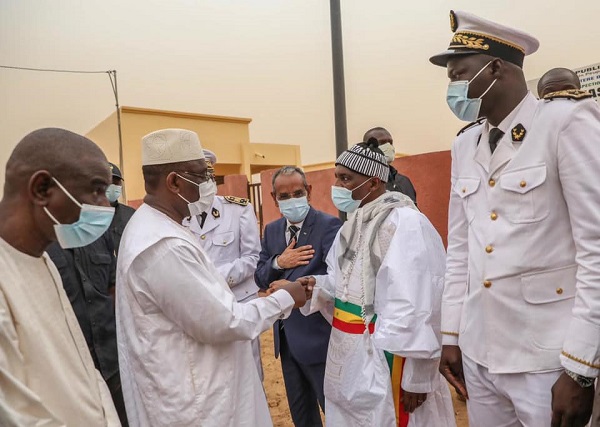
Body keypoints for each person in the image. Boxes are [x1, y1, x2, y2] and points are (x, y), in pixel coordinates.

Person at [430, 10, 600, 426]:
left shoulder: (564, 122)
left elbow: (596, 248)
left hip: (547, 357)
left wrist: (580, 365)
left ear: (497, 68)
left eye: (459, 73)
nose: (453, 87)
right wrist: (451, 336)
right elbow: (460, 250)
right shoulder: (465, 144)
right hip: (481, 351)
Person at [116, 128, 308, 426]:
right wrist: (287, 297)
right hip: (197, 404)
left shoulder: (161, 226)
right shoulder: (163, 246)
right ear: (174, 182)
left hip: (203, 389)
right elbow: (226, 321)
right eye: (200, 177)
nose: (208, 185)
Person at [276, 141, 455, 426]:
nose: (337, 185)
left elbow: (421, 302)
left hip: (391, 359)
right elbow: (340, 284)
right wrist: (313, 288)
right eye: (336, 176)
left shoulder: (406, 223)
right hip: (349, 357)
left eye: (346, 178)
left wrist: (418, 377)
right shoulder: (352, 224)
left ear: (373, 183)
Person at [0, 128, 120, 426]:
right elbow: (15, 416)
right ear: (42, 188)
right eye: (95, 189)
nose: (105, 205)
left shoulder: (40, 258)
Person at [255, 166, 342, 427]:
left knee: (334, 410)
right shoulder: (272, 230)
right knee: (301, 415)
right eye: (284, 196)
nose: (292, 200)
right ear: (273, 198)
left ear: (309, 191)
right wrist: (279, 262)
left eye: (297, 193)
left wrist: (289, 286)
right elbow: (260, 277)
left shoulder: (329, 226)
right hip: (286, 340)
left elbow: (337, 280)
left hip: (318, 339)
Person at [183, 149, 264, 380]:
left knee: (249, 373)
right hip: (200, 306)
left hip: (238, 301)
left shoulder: (238, 209)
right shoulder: (179, 216)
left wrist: (215, 277)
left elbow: (252, 258)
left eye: (209, 178)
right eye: (200, 179)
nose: (206, 184)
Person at [47, 229, 128, 426]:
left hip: (113, 366)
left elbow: (113, 287)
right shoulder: (38, 243)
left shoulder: (98, 232)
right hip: (69, 375)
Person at [363, 127, 417, 203]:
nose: (388, 146)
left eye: (390, 143)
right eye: (382, 143)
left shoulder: (404, 181)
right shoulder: (361, 183)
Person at [106, 162, 135, 255]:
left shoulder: (131, 215)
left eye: (116, 183)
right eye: (108, 183)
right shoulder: (85, 217)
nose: (112, 187)